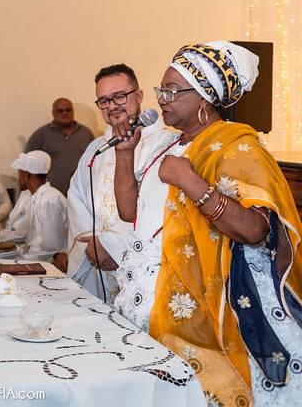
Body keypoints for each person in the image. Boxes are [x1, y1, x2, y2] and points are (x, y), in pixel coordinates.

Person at [113, 41, 302, 405]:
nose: (162, 99)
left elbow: (254, 230)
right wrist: (125, 154)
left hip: (209, 305)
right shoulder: (163, 145)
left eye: (172, 91)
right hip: (149, 294)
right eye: (161, 90)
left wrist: (191, 182)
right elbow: (128, 210)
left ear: (204, 98)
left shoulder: (237, 147)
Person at [54, 64, 173, 301]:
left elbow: (161, 208)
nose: (112, 105)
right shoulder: (95, 148)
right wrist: (92, 242)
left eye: (119, 96)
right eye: (104, 100)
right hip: (94, 261)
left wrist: (113, 246)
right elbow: (76, 196)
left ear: (139, 96)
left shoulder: (165, 143)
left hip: (141, 265)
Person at [0, 150, 68, 262]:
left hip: (50, 262)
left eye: (19, 173)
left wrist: (21, 261)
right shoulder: (37, 196)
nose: (17, 178)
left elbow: (49, 248)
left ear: (26, 175)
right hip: (35, 257)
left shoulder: (48, 200)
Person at [25, 97, 94, 196]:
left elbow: (95, 159)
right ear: (53, 113)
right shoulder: (41, 135)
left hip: (83, 192)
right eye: (60, 111)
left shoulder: (85, 133)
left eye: (68, 110)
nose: (65, 113)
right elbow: (27, 164)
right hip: (51, 196)